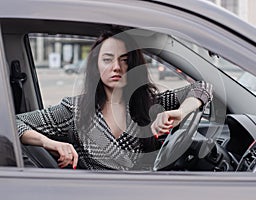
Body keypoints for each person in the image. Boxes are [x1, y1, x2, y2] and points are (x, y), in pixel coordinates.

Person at [16, 27, 213, 171]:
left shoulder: (149, 103)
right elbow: (14, 123)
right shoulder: (75, 110)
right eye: (108, 59)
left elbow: (202, 88)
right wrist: (51, 143)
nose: (116, 67)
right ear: (96, 65)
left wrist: (180, 112)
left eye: (124, 60)